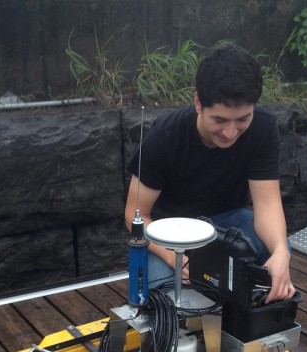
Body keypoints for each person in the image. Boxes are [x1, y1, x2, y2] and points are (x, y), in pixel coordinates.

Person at [124, 43, 295, 303]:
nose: (230, 132)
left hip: (224, 225)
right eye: (219, 120)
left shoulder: (263, 127)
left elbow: (268, 204)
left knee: (275, 251)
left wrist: (282, 252)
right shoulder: (165, 136)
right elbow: (135, 215)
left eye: (242, 119)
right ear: (198, 102)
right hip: (168, 234)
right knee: (165, 299)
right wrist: (175, 258)